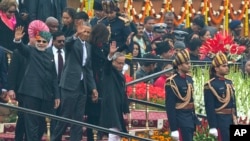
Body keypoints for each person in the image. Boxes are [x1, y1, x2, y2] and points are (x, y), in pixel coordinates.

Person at [51, 22, 98, 141]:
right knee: (65, 116)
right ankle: (55, 139)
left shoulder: (88, 46)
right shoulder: (72, 42)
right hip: (69, 84)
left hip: (82, 86)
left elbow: (88, 68)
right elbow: (66, 43)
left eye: (88, 32)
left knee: (78, 119)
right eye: (84, 31)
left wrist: (93, 88)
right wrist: (76, 35)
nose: (86, 34)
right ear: (79, 31)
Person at [13, 26, 60, 141]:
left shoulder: (50, 55)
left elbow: (54, 77)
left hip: (46, 95)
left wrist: (57, 95)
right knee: (31, 125)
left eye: (44, 42)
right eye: (38, 41)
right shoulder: (30, 51)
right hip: (31, 94)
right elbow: (21, 48)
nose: (41, 43)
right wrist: (18, 40)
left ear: (48, 43)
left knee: (41, 125)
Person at [165, 49, 200, 141]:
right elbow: (170, 107)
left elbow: (191, 101)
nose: (189, 65)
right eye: (186, 63)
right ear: (179, 66)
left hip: (190, 118)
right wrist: (174, 128)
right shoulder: (172, 82)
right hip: (180, 119)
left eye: (189, 62)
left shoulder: (189, 79)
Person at [204, 52, 237, 141]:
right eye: (224, 66)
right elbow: (209, 107)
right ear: (216, 69)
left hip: (231, 119)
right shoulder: (210, 85)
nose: (227, 68)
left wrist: (235, 118)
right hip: (221, 121)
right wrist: (213, 126)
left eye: (227, 65)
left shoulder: (229, 82)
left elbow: (233, 103)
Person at [99, 44, 129, 141]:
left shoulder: (121, 75)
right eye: (118, 63)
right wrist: (110, 55)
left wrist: (126, 110)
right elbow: (106, 65)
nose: (121, 65)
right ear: (113, 62)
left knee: (117, 134)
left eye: (122, 63)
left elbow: (123, 93)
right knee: (112, 132)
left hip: (118, 106)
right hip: (110, 106)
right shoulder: (109, 72)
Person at [7, 48, 27, 141]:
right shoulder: (18, 52)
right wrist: (11, 88)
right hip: (22, 90)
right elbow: (12, 71)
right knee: (22, 117)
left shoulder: (41, 52)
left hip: (37, 92)